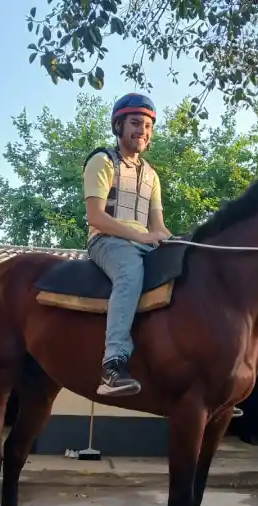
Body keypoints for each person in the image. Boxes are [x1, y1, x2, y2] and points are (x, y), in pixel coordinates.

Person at [83, 92, 172, 397]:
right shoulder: (102, 161)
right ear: (118, 125)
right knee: (130, 272)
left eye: (148, 126)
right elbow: (95, 217)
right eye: (135, 123)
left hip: (143, 242)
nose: (142, 131)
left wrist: (178, 244)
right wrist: (142, 236)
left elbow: (158, 227)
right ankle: (113, 364)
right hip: (107, 241)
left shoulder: (152, 175)